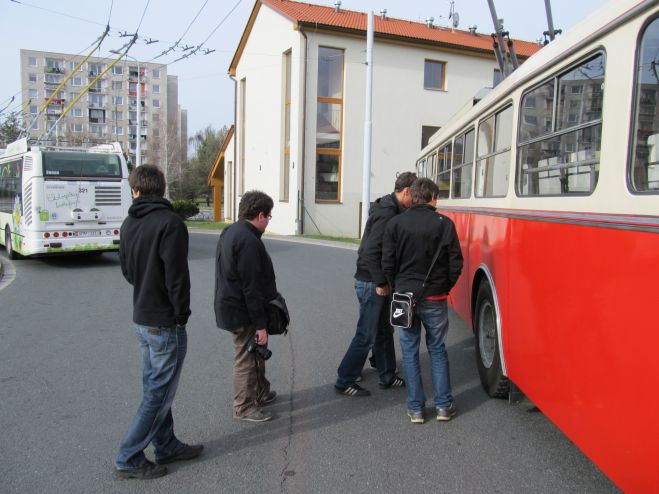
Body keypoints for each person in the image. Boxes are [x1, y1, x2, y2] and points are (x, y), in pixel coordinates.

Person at [115, 165, 203, 480]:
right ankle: (128, 457)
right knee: (158, 393)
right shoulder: (170, 223)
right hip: (164, 323)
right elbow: (177, 278)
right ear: (162, 189)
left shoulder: (128, 223)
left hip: (142, 318)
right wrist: (181, 316)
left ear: (136, 190)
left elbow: (127, 272)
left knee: (156, 388)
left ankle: (166, 445)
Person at [382, 177, 464, 424]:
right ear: (433, 198)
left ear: (413, 196)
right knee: (437, 349)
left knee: (409, 351)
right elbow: (455, 263)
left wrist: (398, 286)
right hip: (435, 297)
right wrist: (444, 286)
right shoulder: (444, 224)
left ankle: (416, 409)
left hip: (404, 297)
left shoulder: (395, 224)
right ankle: (443, 407)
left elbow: (387, 263)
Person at [334, 172, 417, 396]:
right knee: (366, 334)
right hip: (372, 282)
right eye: (414, 196)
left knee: (383, 330)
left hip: (376, 281)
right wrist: (381, 281)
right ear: (406, 191)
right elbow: (370, 251)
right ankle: (344, 380)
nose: (416, 201)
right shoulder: (388, 212)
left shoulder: (391, 207)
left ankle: (387, 375)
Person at [214, 190, 278, 422]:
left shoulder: (231, 231)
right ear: (260, 215)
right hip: (241, 312)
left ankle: (260, 391)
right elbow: (251, 288)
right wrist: (260, 324)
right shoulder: (248, 241)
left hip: (230, 305)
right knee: (246, 357)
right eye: (269, 217)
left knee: (256, 354)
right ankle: (244, 406)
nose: (268, 221)